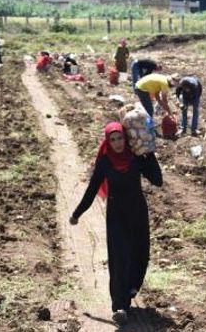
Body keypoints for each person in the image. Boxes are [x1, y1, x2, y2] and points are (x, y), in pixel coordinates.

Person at [70, 122, 162, 326]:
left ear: (125, 138)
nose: (117, 143)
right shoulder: (105, 162)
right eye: (113, 140)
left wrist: (150, 154)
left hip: (138, 215)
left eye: (120, 138)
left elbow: (157, 180)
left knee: (139, 255)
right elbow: (92, 190)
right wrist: (77, 213)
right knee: (119, 259)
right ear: (107, 142)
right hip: (116, 218)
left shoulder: (136, 158)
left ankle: (131, 290)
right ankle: (119, 306)